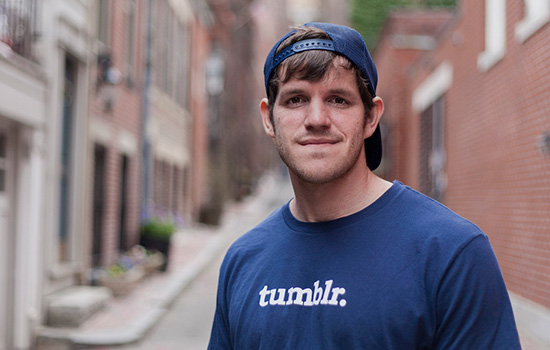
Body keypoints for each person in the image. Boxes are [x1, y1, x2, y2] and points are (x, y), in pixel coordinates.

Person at [208, 22, 521, 349]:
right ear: (269, 118)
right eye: (296, 99)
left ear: (371, 117)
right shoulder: (243, 260)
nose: (317, 118)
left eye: (338, 100)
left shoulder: (451, 253)